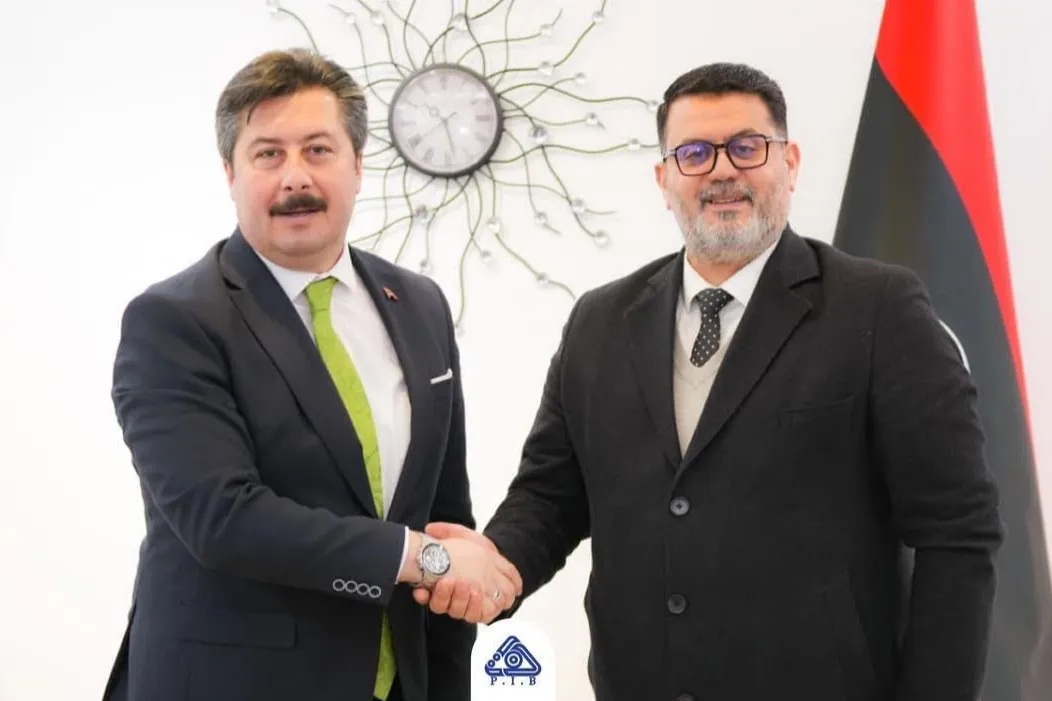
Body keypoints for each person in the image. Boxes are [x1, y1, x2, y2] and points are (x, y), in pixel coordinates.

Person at [418, 63, 1003, 701]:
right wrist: (495, 568)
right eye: (694, 154)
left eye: (748, 147)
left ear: (790, 163)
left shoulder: (879, 309)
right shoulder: (599, 320)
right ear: (664, 179)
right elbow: (551, 496)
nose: (722, 170)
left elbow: (956, 531)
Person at [101, 48, 520, 701]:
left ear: (357, 165)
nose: (295, 177)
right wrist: (427, 558)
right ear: (230, 173)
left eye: (318, 150)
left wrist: (463, 588)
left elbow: (442, 508)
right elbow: (223, 519)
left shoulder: (419, 304)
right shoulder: (175, 320)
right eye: (268, 154)